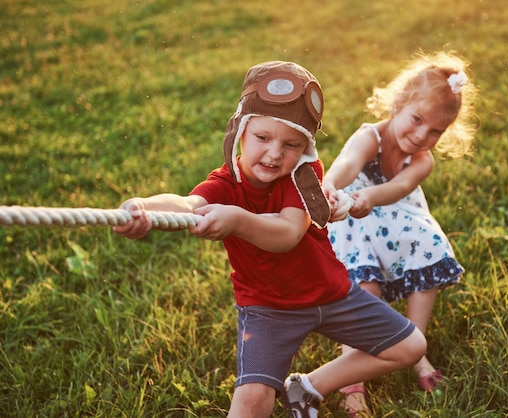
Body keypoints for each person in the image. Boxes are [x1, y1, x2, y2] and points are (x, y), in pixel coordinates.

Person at [113, 60, 426, 418]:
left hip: (331, 293)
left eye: (291, 144)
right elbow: (185, 203)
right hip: (267, 308)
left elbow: (288, 233)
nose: (276, 153)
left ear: (305, 148)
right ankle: (281, 388)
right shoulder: (225, 184)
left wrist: (237, 220)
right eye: (263, 138)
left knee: (410, 346)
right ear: (241, 132)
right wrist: (144, 209)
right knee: (252, 403)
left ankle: (308, 387)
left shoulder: (303, 176)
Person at [323, 51, 478, 416]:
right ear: (399, 103)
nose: (422, 135)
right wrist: (330, 184)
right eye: (417, 120)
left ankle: (415, 347)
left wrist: (370, 196)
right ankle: (351, 382)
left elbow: (398, 188)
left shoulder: (422, 159)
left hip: (396, 217)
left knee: (428, 254)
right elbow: (346, 164)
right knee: (366, 287)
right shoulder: (370, 137)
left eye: (436, 131)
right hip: (354, 220)